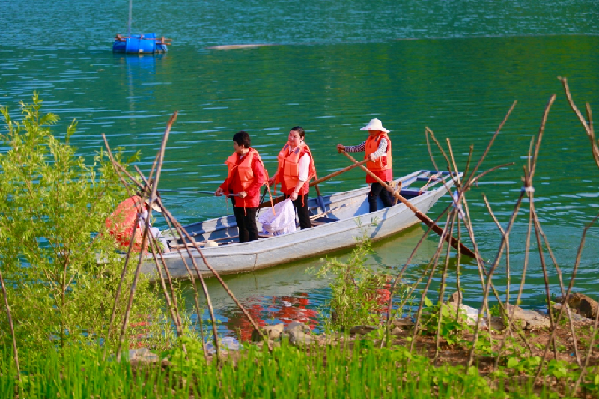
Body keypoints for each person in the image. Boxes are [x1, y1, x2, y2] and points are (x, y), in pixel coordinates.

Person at [215, 131, 267, 243]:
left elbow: (260, 179)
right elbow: (231, 178)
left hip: (249, 199)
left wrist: (247, 192)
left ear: (241, 145)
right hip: (237, 198)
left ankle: (255, 247)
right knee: (241, 225)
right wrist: (222, 188)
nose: (233, 146)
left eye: (235, 144)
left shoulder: (254, 160)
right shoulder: (236, 158)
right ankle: (243, 245)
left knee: (250, 225)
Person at [337, 118, 394, 213]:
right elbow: (358, 148)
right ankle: (392, 211)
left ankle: (372, 217)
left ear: (378, 130)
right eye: (369, 129)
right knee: (383, 194)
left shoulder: (383, 139)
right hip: (375, 171)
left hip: (383, 172)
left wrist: (374, 155)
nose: (369, 131)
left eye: (372, 129)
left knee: (372, 196)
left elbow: (381, 150)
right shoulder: (369, 139)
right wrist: (345, 148)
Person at [268, 126, 317, 229]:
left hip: (299, 189)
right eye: (290, 135)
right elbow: (282, 167)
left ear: (301, 138)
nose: (291, 138)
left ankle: (306, 233)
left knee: (302, 214)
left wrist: (296, 191)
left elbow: (303, 176)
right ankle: (291, 233)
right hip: (287, 187)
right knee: (289, 214)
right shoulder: (287, 148)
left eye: (294, 136)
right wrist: (274, 178)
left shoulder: (304, 154)